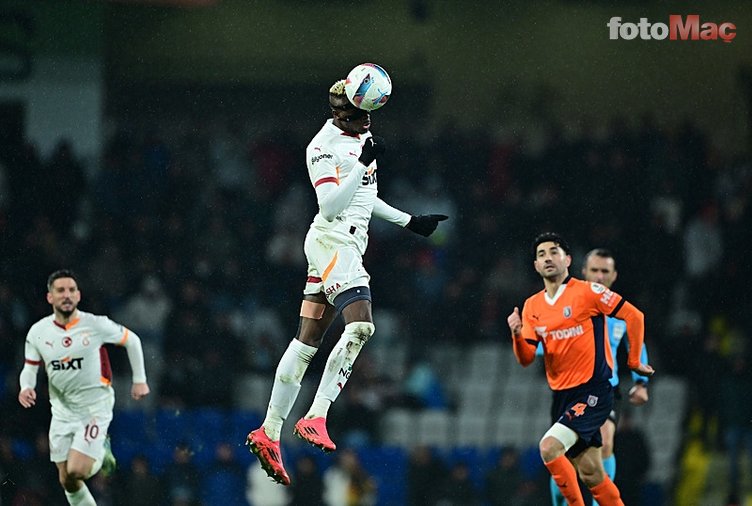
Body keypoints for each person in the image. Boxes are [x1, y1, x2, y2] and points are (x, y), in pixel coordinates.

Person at [246, 75, 448, 486]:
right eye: (361, 116)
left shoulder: (361, 139)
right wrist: (360, 163)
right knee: (361, 325)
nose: (368, 122)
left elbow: (363, 196)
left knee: (305, 344)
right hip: (335, 242)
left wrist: (410, 221)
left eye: (371, 114)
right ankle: (317, 415)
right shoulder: (322, 148)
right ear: (342, 114)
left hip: (339, 245)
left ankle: (268, 431)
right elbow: (331, 203)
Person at [506, 233, 654, 506]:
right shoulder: (532, 307)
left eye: (554, 251)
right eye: (541, 254)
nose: (548, 257)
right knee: (590, 472)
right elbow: (526, 358)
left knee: (551, 447)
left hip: (597, 389)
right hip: (563, 395)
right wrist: (517, 334)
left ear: (569, 260)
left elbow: (635, 318)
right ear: (536, 266)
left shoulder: (590, 294)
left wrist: (636, 370)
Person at [18, 269, 150, 506]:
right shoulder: (38, 332)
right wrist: (26, 387)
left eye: (71, 290)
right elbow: (29, 367)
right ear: (50, 297)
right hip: (61, 411)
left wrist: (139, 379)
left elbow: (132, 340)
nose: (66, 295)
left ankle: (100, 449)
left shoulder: (95, 325)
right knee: (67, 479)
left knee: (77, 470)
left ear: (78, 296)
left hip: (94, 408)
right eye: (60, 290)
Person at [546, 248, 651, 506]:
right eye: (595, 270)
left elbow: (638, 345)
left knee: (605, 442)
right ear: (584, 272)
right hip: (570, 391)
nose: (600, 276)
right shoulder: (566, 305)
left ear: (614, 275)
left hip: (605, 390)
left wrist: (641, 383)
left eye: (605, 271)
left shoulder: (619, 313)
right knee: (566, 456)